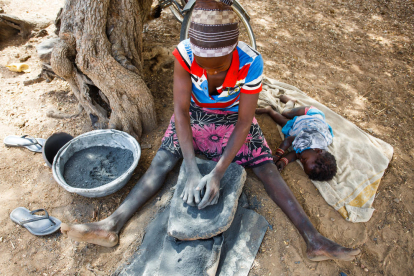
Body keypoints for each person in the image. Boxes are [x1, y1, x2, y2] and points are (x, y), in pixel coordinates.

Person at [61, 0, 360, 261]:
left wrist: (217, 172)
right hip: (194, 116)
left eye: (218, 67)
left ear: (233, 53)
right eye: (203, 66)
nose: (210, 73)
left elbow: (244, 122)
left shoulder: (251, 63)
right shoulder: (185, 54)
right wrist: (190, 168)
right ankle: (111, 225)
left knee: (267, 168)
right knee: (164, 160)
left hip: (233, 118)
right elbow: (180, 111)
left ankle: (314, 240)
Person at [256, 95, 337, 181]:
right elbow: (289, 140)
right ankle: (287, 102)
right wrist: (277, 155)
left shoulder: (313, 155)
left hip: (306, 126)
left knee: (285, 124)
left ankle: (270, 110)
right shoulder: (307, 140)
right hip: (311, 114)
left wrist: (283, 161)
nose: (301, 160)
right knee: (285, 113)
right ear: (317, 150)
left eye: (302, 163)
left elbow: (297, 154)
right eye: (304, 160)